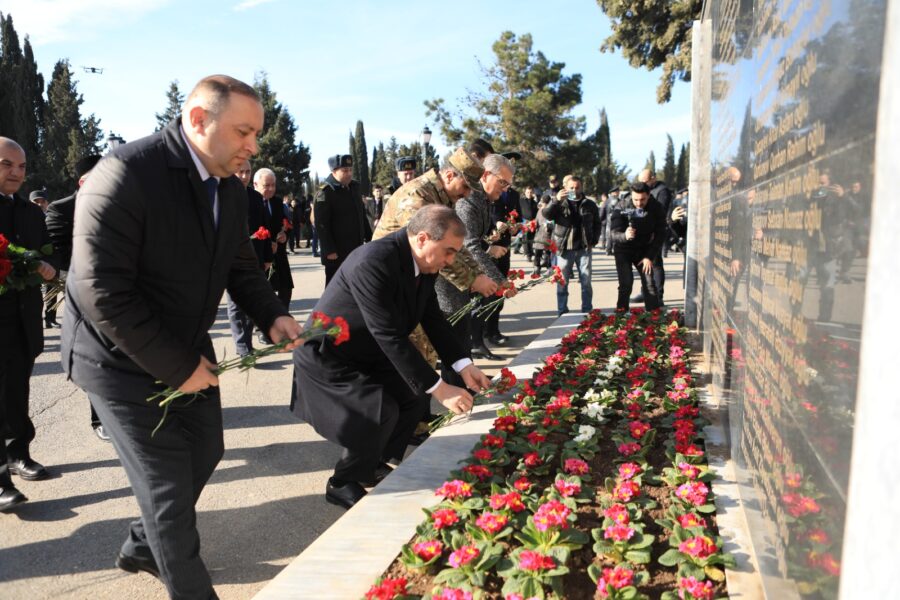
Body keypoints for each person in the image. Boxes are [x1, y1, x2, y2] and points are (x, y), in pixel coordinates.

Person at [61, 75, 303, 599]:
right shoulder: (126, 173)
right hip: (116, 357)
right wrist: (177, 366)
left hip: (184, 346)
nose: (253, 147)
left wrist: (272, 316)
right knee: (167, 489)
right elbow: (101, 291)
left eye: (255, 134)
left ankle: (143, 544)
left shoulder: (229, 187)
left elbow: (239, 265)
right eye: (243, 131)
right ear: (198, 120)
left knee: (207, 450)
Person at [291, 205, 491, 509]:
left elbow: (432, 318)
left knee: (412, 397)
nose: (451, 260)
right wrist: (440, 388)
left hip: (366, 351)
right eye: (448, 251)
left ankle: (373, 463)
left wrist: (464, 366)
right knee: (377, 409)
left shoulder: (422, 264)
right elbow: (387, 334)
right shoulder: (373, 261)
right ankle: (342, 481)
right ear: (423, 238)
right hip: (329, 355)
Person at [0, 137, 57, 512]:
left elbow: (48, 254)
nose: (16, 173)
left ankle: (19, 453)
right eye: (7, 165)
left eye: (21, 167)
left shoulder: (31, 213)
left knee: (16, 392)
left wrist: (49, 268)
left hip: (23, 322)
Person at [45, 154, 110, 440]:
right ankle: (101, 420)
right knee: (96, 359)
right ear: (84, 181)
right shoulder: (61, 210)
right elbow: (57, 254)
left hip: (125, 295)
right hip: (84, 297)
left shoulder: (118, 204)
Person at [436, 153, 517, 366]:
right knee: (454, 338)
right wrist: (499, 280)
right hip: (450, 277)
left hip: (464, 274)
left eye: (508, 185)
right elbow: (469, 245)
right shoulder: (469, 201)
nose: (505, 188)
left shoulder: (484, 200)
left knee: (460, 338)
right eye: (502, 182)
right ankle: (459, 385)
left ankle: (464, 380)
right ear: (486, 175)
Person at [226, 160, 273, 357]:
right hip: (229, 259)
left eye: (247, 172)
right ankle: (243, 347)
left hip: (253, 259)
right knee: (236, 304)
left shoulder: (255, 198)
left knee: (251, 301)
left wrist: (267, 257)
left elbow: (265, 228)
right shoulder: (222, 194)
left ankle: (248, 345)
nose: (244, 176)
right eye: (240, 171)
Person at [542, 174, 601, 316]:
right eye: (571, 188)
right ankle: (562, 310)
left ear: (581, 187)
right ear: (565, 188)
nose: (575, 190)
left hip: (584, 249)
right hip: (564, 249)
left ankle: (587, 309)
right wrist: (555, 201)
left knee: (586, 282)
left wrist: (594, 240)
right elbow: (546, 214)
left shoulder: (589, 204)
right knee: (562, 282)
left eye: (577, 187)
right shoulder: (559, 202)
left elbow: (597, 223)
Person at [608, 181, 666, 311]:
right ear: (631, 196)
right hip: (623, 250)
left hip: (644, 250)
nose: (639, 203)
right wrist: (624, 236)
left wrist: (649, 257)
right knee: (626, 283)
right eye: (636, 200)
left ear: (649, 195)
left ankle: (654, 317)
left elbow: (660, 234)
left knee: (649, 283)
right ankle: (621, 316)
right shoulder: (621, 206)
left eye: (642, 200)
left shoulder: (656, 207)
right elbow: (612, 234)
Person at [314, 154, 370, 285]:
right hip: (336, 253)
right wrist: (329, 250)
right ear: (334, 171)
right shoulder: (325, 193)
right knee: (334, 289)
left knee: (354, 286)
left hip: (355, 248)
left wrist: (370, 238)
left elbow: (361, 216)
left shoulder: (354, 188)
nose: (349, 173)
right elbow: (321, 224)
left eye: (350, 170)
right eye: (345, 171)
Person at [256, 168, 294, 310]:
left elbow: (287, 225)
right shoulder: (251, 202)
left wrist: (285, 236)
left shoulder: (278, 203)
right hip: (260, 256)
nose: (271, 189)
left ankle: (283, 317)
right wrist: (266, 244)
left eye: (273, 185)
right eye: (267, 185)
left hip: (279, 253)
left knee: (286, 289)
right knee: (264, 292)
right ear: (256, 185)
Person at [636, 168, 672, 303]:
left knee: (655, 264)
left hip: (655, 231)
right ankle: (645, 291)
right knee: (643, 263)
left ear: (653, 178)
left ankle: (658, 295)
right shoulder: (646, 190)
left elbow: (661, 211)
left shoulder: (662, 191)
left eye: (644, 181)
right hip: (644, 231)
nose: (642, 184)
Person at [532, 193, 553, 275]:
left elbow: (553, 222)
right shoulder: (540, 210)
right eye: (542, 202)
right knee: (537, 252)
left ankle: (549, 268)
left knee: (548, 253)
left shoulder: (551, 211)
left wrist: (549, 225)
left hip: (548, 235)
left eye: (544, 202)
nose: (542, 204)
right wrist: (532, 225)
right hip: (539, 234)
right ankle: (537, 268)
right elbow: (536, 221)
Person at [517, 185, 538, 260]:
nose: (529, 193)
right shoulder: (521, 201)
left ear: (533, 193)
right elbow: (518, 211)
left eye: (531, 192)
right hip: (524, 222)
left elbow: (537, 213)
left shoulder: (535, 202)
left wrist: (535, 221)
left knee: (531, 239)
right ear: (525, 193)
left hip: (532, 223)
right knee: (525, 238)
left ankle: (531, 252)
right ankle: (527, 254)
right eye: (528, 192)